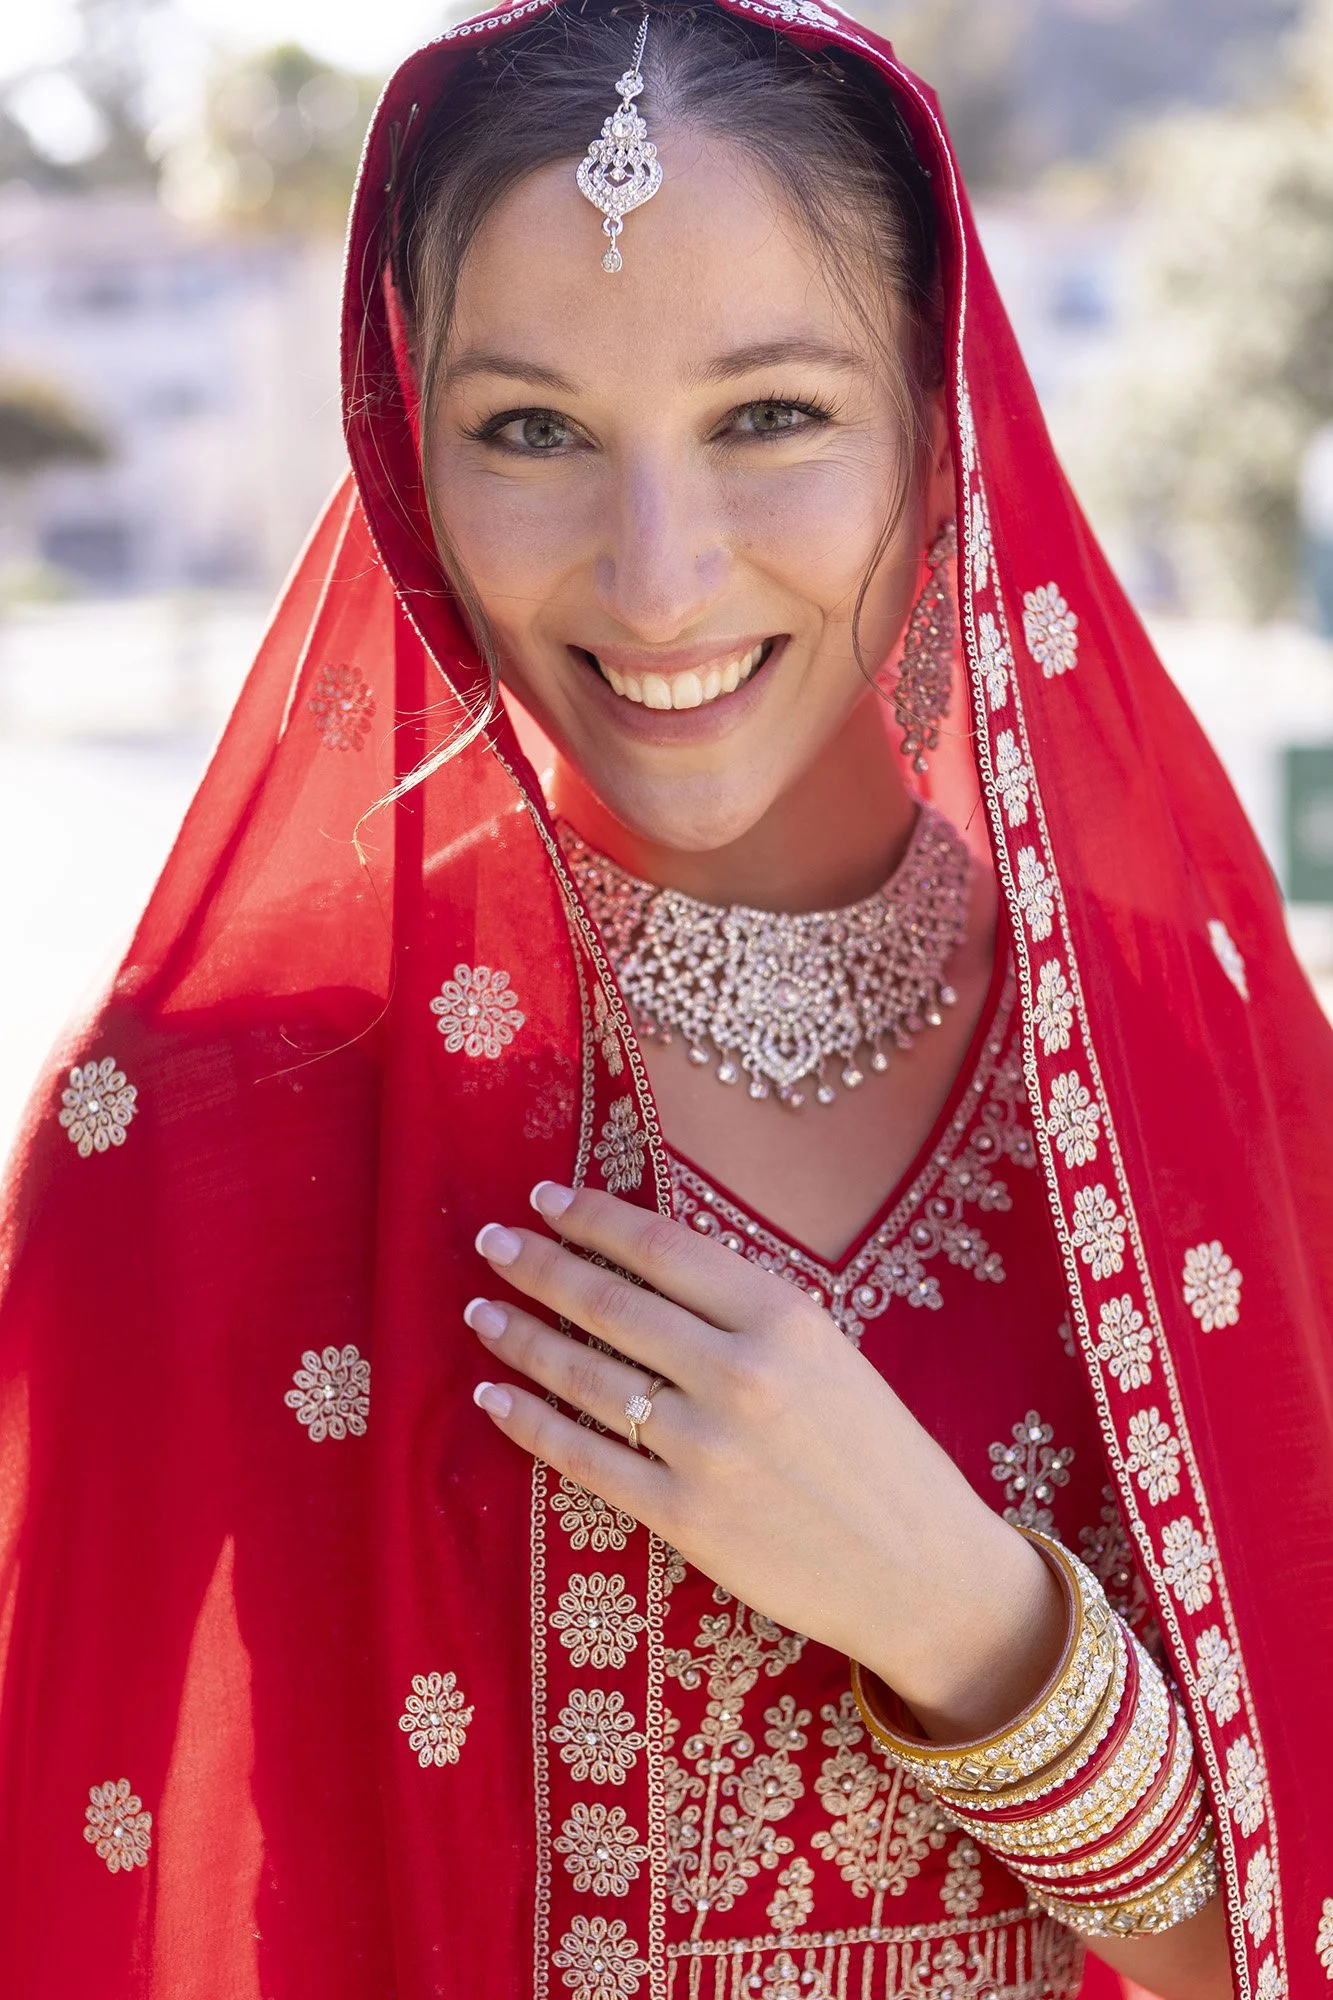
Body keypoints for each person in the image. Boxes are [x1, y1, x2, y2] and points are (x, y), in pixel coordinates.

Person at [1, 3, 1330, 1996]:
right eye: (529, 429)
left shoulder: (1200, 1095)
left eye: (769, 417)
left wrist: (976, 1629)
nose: (657, 574)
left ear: (941, 420)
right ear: (401, 443)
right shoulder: (205, 1125)